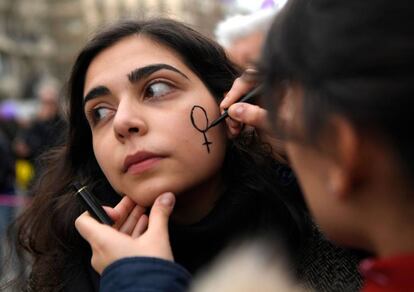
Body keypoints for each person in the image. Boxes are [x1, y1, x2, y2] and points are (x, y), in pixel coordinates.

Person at [8, 19, 361, 292]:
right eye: (99, 112)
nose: (123, 122)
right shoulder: (65, 275)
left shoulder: (343, 232)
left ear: (231, 104)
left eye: (157, 89)